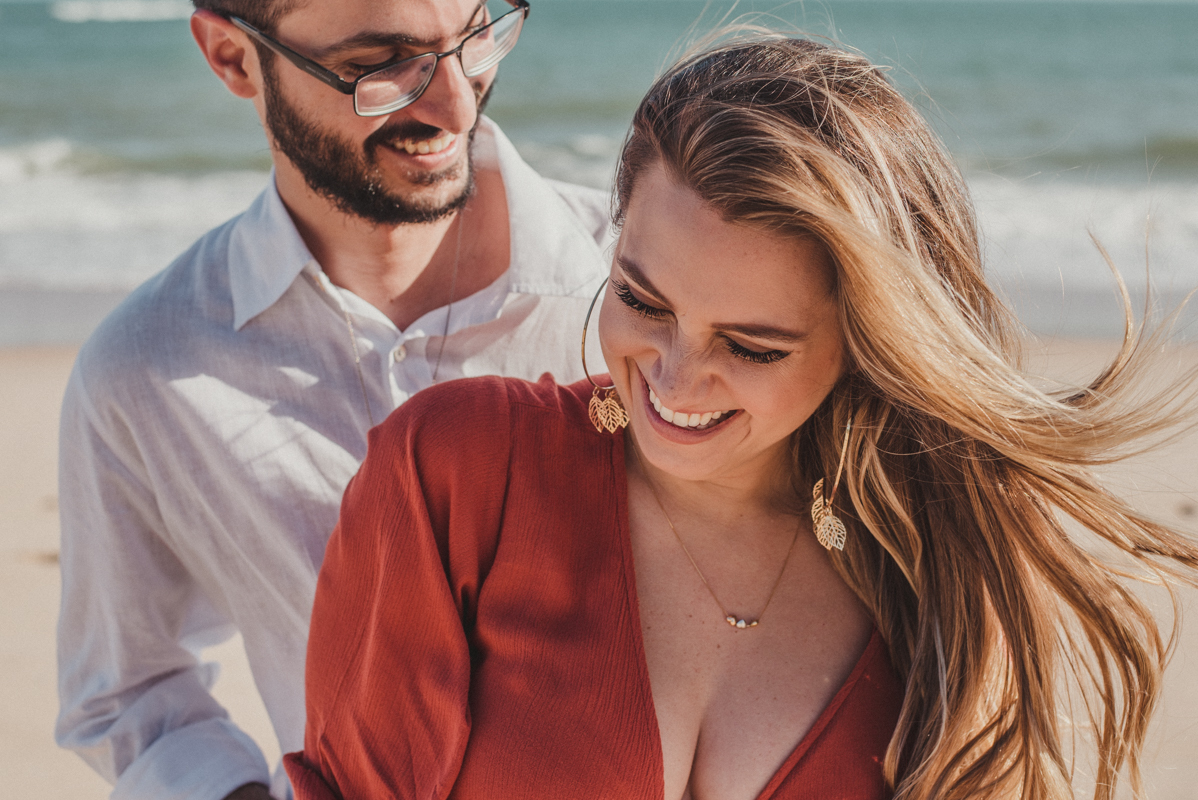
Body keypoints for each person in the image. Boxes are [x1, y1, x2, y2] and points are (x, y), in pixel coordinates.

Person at [283, 33, 1198, 800]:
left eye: (753, 347)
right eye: (641, 299)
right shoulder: (460, 471)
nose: (677, 380)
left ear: (866, 342)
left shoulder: (932, 573)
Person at [54, 2, 614, 799]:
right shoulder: (148, 367)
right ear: (233, 58)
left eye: (474, 37)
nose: (457, 104)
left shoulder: (642, 291)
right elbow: (126, 692)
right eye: (378, 64)